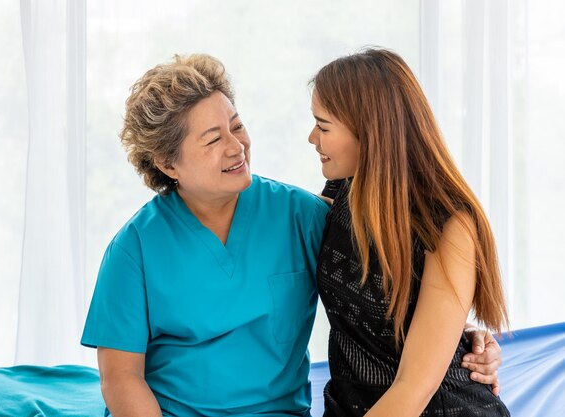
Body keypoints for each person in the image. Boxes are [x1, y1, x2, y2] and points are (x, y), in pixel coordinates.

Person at [81, 54, 502, 417]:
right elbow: (121, 377)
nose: (236, 146)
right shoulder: (134, 248)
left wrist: (462, 336)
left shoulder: (302, 215)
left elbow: (393, 278)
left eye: (237, 125)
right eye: (213, 139)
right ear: (168, 164)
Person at [308, 48, 510, 416]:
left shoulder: (450, 224)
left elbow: (413, 388)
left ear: (370, 131)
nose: (311, 138)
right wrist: (460, 332)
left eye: (323, 127)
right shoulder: (340, 193)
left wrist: (454, 338)